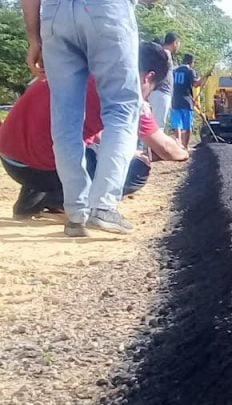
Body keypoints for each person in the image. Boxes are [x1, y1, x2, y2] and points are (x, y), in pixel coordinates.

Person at [0, 41, 189, 224]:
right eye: (151, 89)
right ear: (148, 77)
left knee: (73, 144)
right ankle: (57, 198)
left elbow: (91, 133)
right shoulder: (125, 94)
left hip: (10, 160)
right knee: (138, 167)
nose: (146, 95)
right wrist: (184, 152)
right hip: (41, 169)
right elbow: (166, 150)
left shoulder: (83, 69)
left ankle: (34, 196)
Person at [21, 0, 142, 236]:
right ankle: (103, 207)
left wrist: (34, 38)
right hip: (106, 9)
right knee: (121, 108)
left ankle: (77, 214)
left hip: (55, 14)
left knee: (65, 116)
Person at [170, 54, 209, 149]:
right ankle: (185, 146)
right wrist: (205, 77)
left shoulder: (174, 71)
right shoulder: (190, 71)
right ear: (191, 62)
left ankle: (178, 145)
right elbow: (196, 84)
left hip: (175, 101)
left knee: (177, 125)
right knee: (187, 126)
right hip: (187, 101)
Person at [151, 32, 182, 131]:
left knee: (153, 124)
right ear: (175, 43)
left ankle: (147, 147)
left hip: (158, 92)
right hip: (161, 92)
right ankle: (154, 147)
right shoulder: (165, 53)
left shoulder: (161, 53)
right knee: (158, 125)